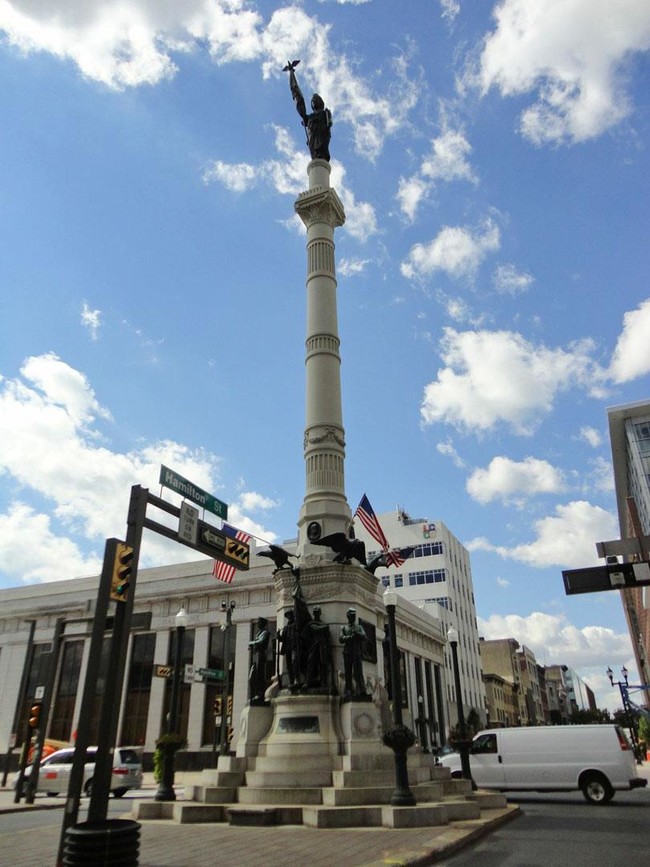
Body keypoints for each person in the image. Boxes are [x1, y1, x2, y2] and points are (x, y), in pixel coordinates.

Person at [286, 61, 332, 161]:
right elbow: (302, 110)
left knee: (321, 154)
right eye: (313, 101)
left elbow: (329, 124)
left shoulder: (325, 113)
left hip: (322, 138)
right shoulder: (310, 116)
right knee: (315, 155)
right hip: (312, 140)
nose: (314, 102)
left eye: (316, 100)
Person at [339, 608, 368, 699]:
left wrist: (357, 634)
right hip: (347, 652)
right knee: (348, 672)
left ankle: (362, 691)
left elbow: (365, 637)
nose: (353, 617)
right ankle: (348, 691)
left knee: (358, 672)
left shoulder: (359, 627)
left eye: (354, 615)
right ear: (348, 616)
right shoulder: (343, 627)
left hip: (357, 652)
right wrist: (350, 637)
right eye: (352, 615)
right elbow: (341, 639)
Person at [304, 606, 331, 689]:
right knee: (311, 663)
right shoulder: (311, 624)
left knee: (323, 664)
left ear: (320, 613)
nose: (316, 614)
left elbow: (328, 635)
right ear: (313, 613)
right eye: (315, 612)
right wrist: (324, 627)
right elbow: (315, 629)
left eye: (317, 612)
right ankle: (309, 681)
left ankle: (324, 681)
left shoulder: (323, 624)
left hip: (322, 646)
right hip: (313, 646)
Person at [248, 617, 270, 702]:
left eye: (259, 622)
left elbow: (260, 642)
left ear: (263, 623)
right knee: (252, 677)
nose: (258, 624)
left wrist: (251, 643)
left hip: (260, 655)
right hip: (256, 656)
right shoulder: (259, 633)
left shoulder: (265, 632)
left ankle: (260, 694)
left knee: (259, 676)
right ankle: (255, 694)